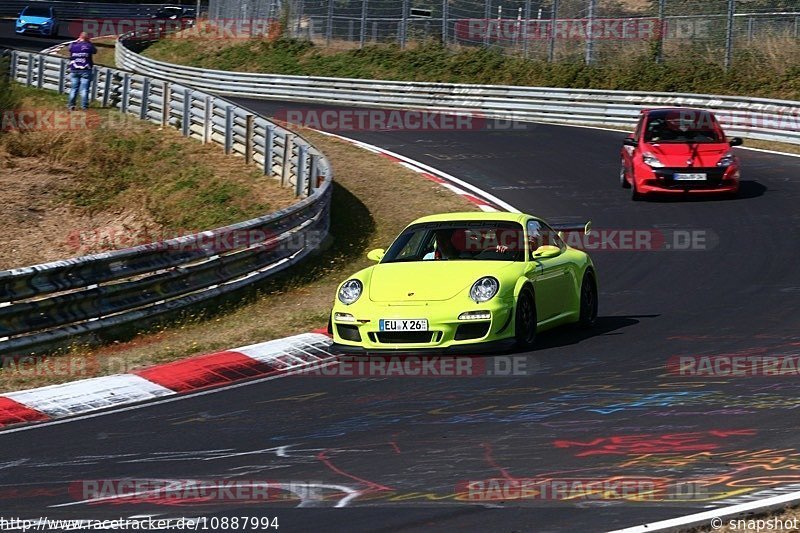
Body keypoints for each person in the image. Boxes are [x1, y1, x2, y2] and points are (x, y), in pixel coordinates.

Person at [67, 32, 97, 111]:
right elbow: (95, 51)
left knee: (74, 89)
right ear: (87, 39)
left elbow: (69, 48)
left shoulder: (73, 45)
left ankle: (71, 105)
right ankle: (84, 107)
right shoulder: (89, 46)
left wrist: (76, 41)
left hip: (74, 69)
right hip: (86, 69)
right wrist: (89, 42)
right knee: (84, 89)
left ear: (79, 37)